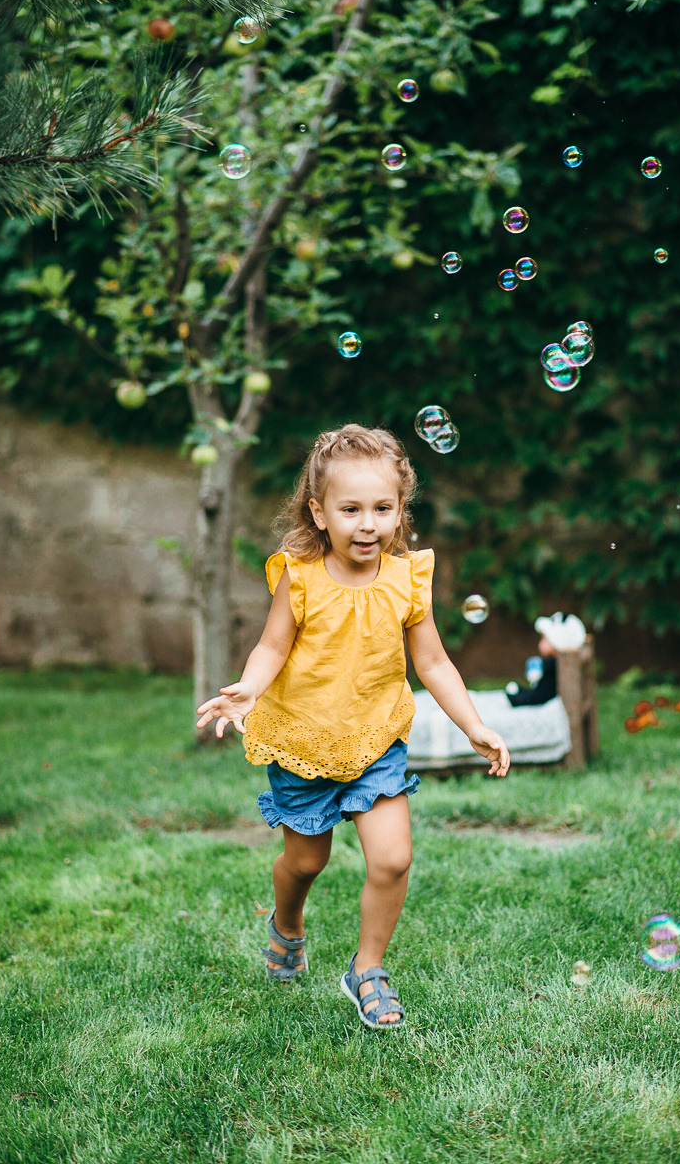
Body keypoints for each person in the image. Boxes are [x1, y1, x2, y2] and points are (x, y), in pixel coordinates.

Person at [196, 424, 510, 1030]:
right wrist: (247, 690)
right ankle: (287, 924)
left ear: (399, 511)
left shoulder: (407, 578)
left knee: (392, 859)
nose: (368, 524)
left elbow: (434, 662)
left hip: (375, 740)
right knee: (306, 861)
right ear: (319, 513)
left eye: (382, 509)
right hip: (302, 739)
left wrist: (474, 724)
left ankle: (366, 969)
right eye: (351, 509)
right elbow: (270, 648)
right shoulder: (301, 576)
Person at [506, 612, 586, 707]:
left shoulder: (552, 665)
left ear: (557, 642)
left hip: (542, 697)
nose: (540, 643)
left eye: (544, 639)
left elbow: (541, 693)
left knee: (522, 696)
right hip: (544, 694)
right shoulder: (560, 663)